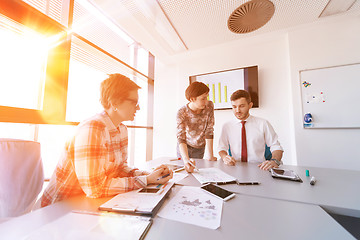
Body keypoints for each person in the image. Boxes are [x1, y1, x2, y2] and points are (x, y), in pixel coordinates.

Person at [41, 73, 172, 207]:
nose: (138, 108)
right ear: (114, 102)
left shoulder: (122, 129)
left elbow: (120, 168)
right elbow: (95, 189)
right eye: (134, 102)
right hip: (60, 206)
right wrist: (145, 180)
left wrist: (148, 175)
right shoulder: (93, 129)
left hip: (88, 202)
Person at [218, 90, 284, 170]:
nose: (237, 110)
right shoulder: (227, 126)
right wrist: (225, 157)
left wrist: (274, 161)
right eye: (234, 107)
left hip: (259, 168)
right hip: (235, 168)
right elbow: (221, 148)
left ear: (250, 105)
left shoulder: (263, 123)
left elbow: (276, 147)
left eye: (241, 106)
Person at [176, 81, 217, 173]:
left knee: (197, 173)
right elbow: (181, 137)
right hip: (185, 146)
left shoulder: (209, 106)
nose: (206, 101)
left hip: (200, 147)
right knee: (185, 171)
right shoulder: (182, 112)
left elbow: (209, 130)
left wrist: (210, 155)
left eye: (206, 97)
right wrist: (186, 160)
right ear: (192, 99)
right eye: (203, 99)